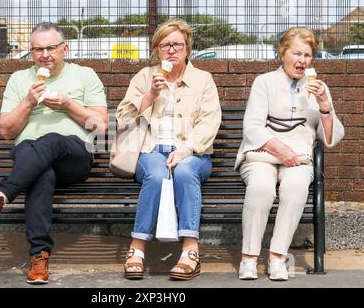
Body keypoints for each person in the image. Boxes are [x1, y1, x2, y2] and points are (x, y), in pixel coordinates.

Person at [0, 22, 108, 284]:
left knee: (52, 140)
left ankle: (2, 195)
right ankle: (39, 258)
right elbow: (7, 131)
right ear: (31, 51)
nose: (45, 54)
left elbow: (101, 126)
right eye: (38, 49)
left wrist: (69, 105)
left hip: (74, 155)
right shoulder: (19, 79)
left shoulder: (85, 75)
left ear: (64, 48)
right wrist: (27, 102)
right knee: (41, 174)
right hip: (29, 158)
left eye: (51, 48)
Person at [235, 27, 344, 281]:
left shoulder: (319, 87)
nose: (302, 60)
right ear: (283, 53)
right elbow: (252, 126)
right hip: (262, 154)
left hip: (298, 159)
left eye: (307, 55)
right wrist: (279, 148)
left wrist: (325, 107)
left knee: (295, 188)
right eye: (296, 53)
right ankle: (248, 258)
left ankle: (277, 257)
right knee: (261, 188)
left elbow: (330, 138)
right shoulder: (264, 82)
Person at [115, 19, 222, 281]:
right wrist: (149, 95)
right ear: (157, 50)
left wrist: (186, 149)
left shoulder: (203, 79)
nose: (171, 50)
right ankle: (137, 249)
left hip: (192, 154)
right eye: (165, 46)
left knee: (185, 173)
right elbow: (122, 119)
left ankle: (189, 251)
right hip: (150, 151)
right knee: (157, 173)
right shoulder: (144, 76)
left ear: (187, 49)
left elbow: (210, 121)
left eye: (177, 45)